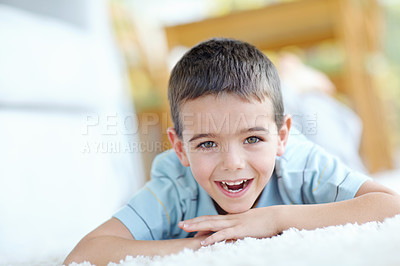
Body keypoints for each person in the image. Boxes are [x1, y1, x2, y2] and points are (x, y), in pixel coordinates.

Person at [64, 38, 400, 265]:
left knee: (323, 115)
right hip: (268, 122)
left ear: (282, 136)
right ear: (180, 148)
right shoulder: (176, 185)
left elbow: (390, 205)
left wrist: (274, 219)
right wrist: (214, 243)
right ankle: (289, 87)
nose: (233, 164)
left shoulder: (300, 161)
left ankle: (303, 82)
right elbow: (84, 254)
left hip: (318, 135)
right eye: (207, 143)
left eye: (252, 139)